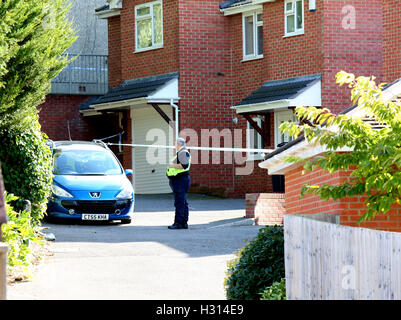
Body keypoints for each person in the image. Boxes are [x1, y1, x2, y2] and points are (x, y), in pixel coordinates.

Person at [166, 138, 191, 230]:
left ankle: (178, 223)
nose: (175, 146)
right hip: (180, 180)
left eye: (175, 144)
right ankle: (184, 222)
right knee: (183, 202)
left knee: (180, 202)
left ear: (179, 144)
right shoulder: (182, 152)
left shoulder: (183, 152)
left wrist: (172, 165)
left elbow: (184, 165)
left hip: (180, 180)